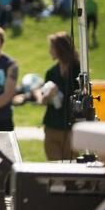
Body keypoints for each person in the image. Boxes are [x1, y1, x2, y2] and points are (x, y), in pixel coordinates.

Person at [40, 32, 80, 161]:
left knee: (72, 168)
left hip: (71, 129)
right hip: (52, 126)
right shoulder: (51, 72)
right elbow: (44, 101)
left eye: (52, 47)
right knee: (54, 168)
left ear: (61, 49)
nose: (49, 51)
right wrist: (48, 95)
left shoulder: (78, 70)